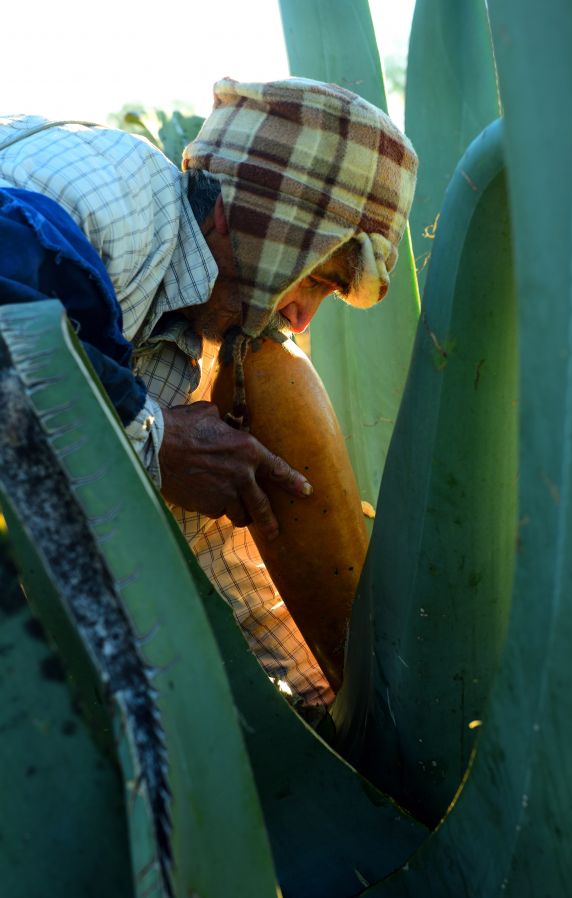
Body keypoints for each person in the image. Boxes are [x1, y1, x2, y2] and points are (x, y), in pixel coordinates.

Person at [0, 78, 418, 715]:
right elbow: (15, 320)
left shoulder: (185, 357)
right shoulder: (115, 196)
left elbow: (227, 572)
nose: (302, 319)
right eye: (318, 278)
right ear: (268, 220)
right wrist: (150, 439)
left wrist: (332, 709)